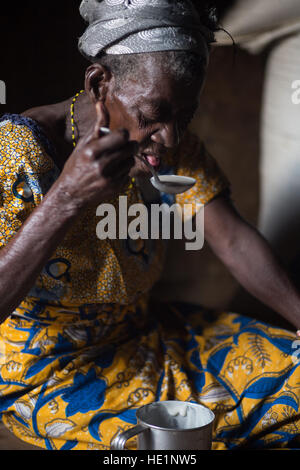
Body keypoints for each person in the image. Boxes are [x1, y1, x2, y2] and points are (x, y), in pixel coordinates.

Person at [0, 0, 300, 451]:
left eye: (185, 117)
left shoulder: (166, 146)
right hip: (51, 377)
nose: (171, 137)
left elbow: (233, 239)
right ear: (100, 84)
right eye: (153, 114)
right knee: (176, 448)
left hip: (150, 337)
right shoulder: (14, 154)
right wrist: (66, 198)